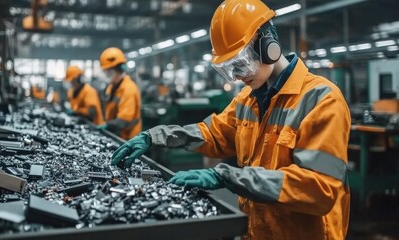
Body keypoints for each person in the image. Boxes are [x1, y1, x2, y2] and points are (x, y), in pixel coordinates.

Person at [109, 0, 351, 239]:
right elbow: (214, 134)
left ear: (268, 45)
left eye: (241, 63)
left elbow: (320, 189)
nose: (236, 76)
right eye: (228, 68)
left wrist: (227, 176)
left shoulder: (321, 100)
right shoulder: (248, 99)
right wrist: (156, 136)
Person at [96, 47, 142, 140]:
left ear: (118, 69)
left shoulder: (129, 89)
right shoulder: (111, 87)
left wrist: (107, 125)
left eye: (108, 70)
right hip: (116, 135)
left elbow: (124, 120)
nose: (106, 74)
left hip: (128, 139)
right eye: (105, 71)